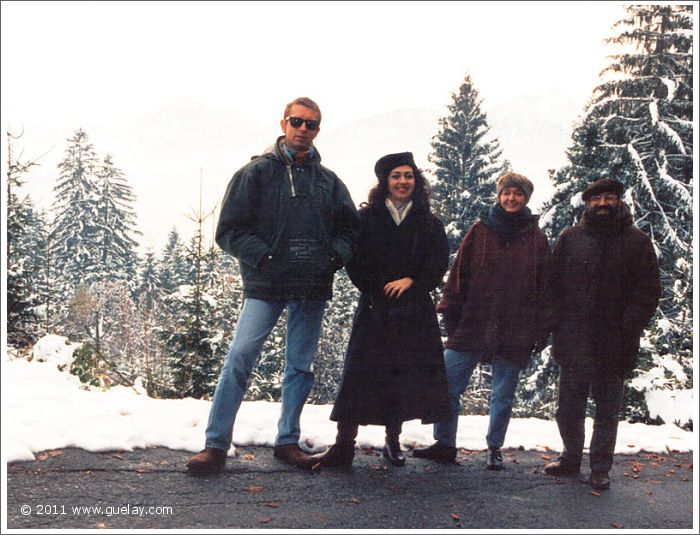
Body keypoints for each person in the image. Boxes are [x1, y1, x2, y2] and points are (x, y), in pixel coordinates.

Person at [187, 97, 360, 474]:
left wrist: (332, 258)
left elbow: (351, 230)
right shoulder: (256, 174)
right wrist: (264, 258)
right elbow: (229, 231)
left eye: (311, 124)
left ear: (318, 129)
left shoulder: (328, 182)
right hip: (265, 286)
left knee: (300, 366)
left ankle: (287, 442)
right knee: (239, 358)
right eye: (297, 121)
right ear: (283, 123)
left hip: (311, 287)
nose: (303, 129)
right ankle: (215, 445)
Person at [311, 152, 451, 468]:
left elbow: (438, 262)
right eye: (396, 176)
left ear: (417, 181)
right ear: (384, 182)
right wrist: (379, 290)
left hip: (414, 312)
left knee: (399, 378)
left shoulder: (428, 222)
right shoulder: (366, 219)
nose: (403, 182)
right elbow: (356, 263)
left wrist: (412, 281)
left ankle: (392, 442)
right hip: (375, 309)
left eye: (409, 175)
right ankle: (343, 445)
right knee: (359, 378)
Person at [413, 173, 551, 470]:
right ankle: (444, 444)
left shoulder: (536, 238)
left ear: (526, 198)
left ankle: (494, 447)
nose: (511, 198)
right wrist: (451, 314)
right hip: (473, 324)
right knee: (448, 384)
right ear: (499, 196)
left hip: (515, 328)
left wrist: (539, 331)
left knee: (502, 393)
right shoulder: (480, 230)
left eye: (518, 194)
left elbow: (545, 288)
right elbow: (458, 274)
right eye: (506, 193)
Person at [543, 178, 661, 491]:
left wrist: (628, 326)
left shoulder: (637, 242)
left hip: (615, 343)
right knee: (569, 407)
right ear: (588, 204)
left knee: (607, 411)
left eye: (609, 197)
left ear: (619, 201)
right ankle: (570, 457)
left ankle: (600, 467)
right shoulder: (570, 238)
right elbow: (552, 285)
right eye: (597, 199)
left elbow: (648, 291)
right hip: (574, 340)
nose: (603, 203)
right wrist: (555, 323)